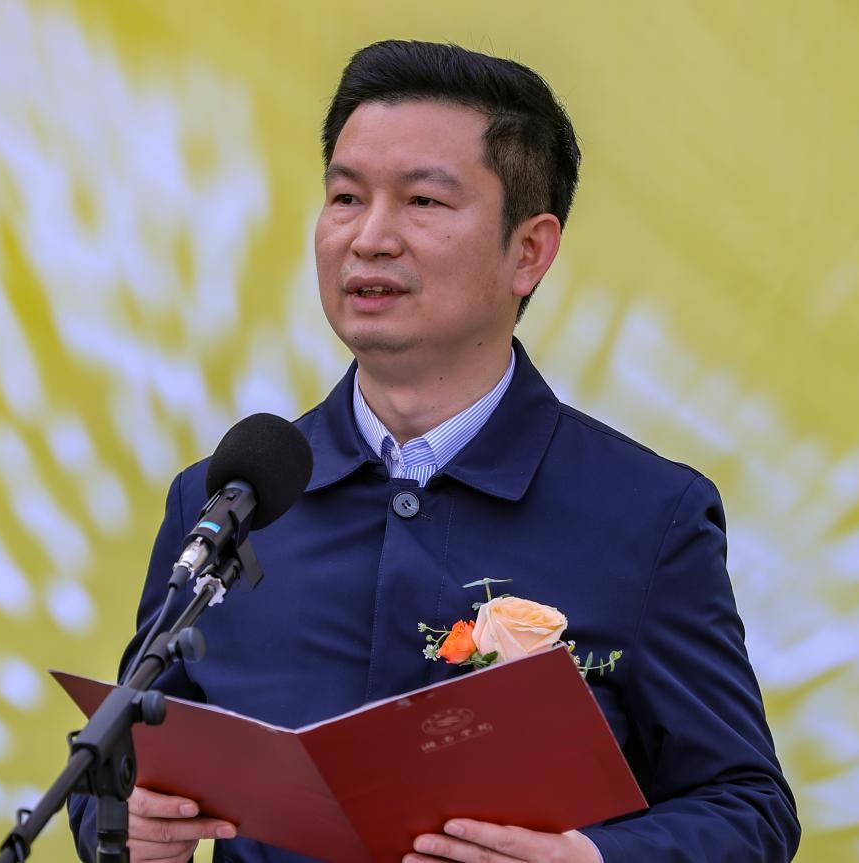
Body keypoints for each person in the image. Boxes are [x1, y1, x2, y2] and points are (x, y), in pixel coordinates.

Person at [69, 39, 801, 863]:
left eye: (421, 200)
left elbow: (748, 808)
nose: (369, 237)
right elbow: (120, 771)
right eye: (345, 197)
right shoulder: (230, 499)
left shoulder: (647, 515)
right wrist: (129, 830)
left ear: (529, 251)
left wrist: (588, 860)